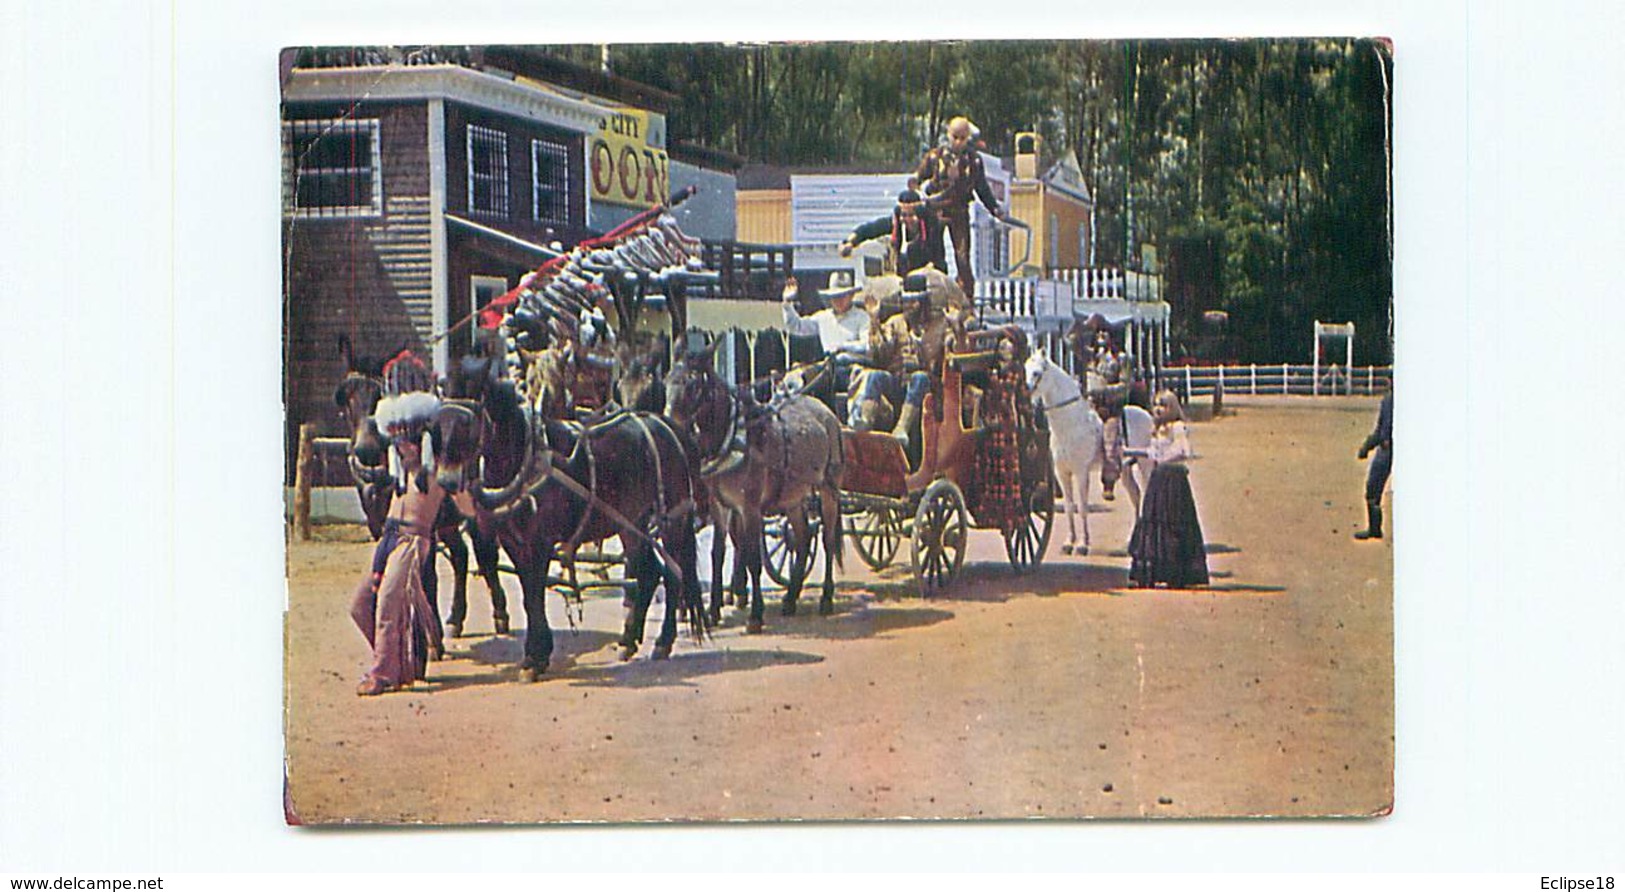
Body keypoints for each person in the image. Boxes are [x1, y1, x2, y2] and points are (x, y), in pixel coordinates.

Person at [348, 387, 467, 696]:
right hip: (388, 539)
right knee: (361, 605)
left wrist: (462, 487)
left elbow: (467, 507)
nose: (403, 449)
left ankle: (382, 675)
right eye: (398, 443)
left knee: (388, 602)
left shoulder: (437, 471)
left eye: (408, 443)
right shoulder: (399, 471)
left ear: (421, 443)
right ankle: (398, 660)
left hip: (413, 542)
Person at [909, 116, 1011, 298]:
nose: (958, 142)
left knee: (963, 258)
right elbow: (918, 177)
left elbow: (982, 189)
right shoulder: (935, 156)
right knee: (935, 256)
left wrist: (994, 209)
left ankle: (966, 299)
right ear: (948, 134)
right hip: (936, 213)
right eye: (954, 136)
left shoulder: (973, 161)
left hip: (959, 213)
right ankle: (937, 296)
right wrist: (916, 185)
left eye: (962, 138)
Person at [1125, 390, 1209, 588]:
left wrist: (1163, 457)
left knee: (1172, 522)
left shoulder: (1178, 427)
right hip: (1158, 478)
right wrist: (1129, 451)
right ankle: (1153, 574)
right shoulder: (1157, 429)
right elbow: (1152, 452)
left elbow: (1185, 450)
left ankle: (1176, 574)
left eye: (1163, 405)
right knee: (1153, 521)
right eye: (1156, 405)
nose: (1158, 409)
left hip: (1173, 479)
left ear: (1173, 407)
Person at [858, 272, 939, 449]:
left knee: (919, 378)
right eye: (906, 301)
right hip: (898, 382)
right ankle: (865, 420)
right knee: (875, 376)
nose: (910, 306)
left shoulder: (936, 326)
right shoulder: (895, 322)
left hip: (925, 387)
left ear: (923, 302)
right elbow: (881, 351)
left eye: (914, 301)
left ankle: (901, 428)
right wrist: (874, 320)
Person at [781, 271, 872, 420]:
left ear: (851, 296)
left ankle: (855, 418)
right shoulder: (823, 317)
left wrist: (844, 346)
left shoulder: (862, 317)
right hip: (828, 367)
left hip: (851, 367)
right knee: (797, 377)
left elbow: (866, 345)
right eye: (834, 297)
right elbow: (796, 327)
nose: (838, 300)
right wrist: (787, 303)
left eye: (842, 296)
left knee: (859, 378)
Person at [838, 189, 946, 276]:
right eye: (904, 215)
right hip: (904, 276)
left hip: (929, 275)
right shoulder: (896, 224)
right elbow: (868, 229)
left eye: (911, 215)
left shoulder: (932, 227)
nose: (907, 220)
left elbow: (939, 259)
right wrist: (849, 242)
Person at [1085, 329, 1135, 501]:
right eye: (1097, 331)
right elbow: (1072, 341)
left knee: (1109, 442)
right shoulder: (1091, 356)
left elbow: (1125, 385)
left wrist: (1104, 391)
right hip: (1092, 405)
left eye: (1104, 330)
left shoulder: (1121, 358)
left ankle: (1108, 481)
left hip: (1111, 408)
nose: (1100, 334)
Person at [1354, 384, 1393, 540]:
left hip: (1389, 448)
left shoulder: (1390, 401)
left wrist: (1367, 446)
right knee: (1372, 487)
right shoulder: (1388, 401)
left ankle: (1375, 528)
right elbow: (1380, 430)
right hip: (1386, 448)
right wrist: (1368, 445)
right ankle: (1374, 528)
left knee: (1373, 488)